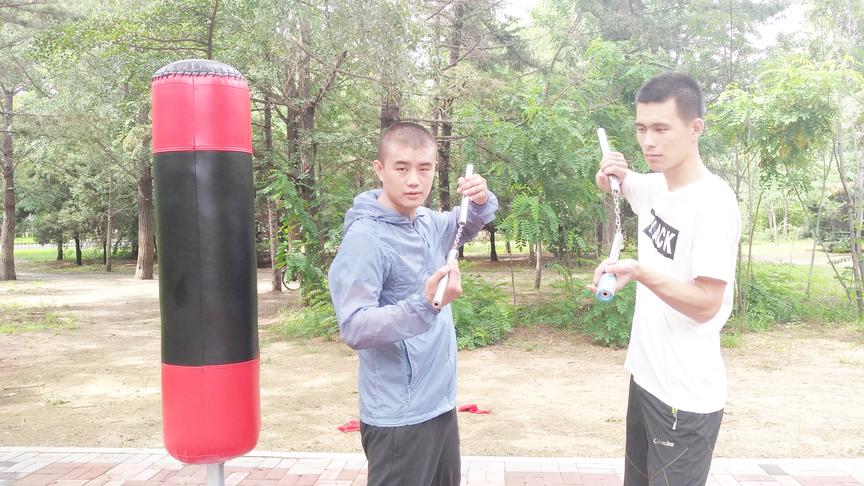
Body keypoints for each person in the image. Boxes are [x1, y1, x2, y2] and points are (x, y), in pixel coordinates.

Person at [328, 121, 498, 486]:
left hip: (439, 404)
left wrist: (481, 200)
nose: (414, 181)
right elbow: (354, 326)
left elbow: (464, 224)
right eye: (402, 168)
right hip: (398, 418)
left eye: (424, 169)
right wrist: (425, 304)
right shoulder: (366, 239)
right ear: (380, 169)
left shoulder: (425, 221)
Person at [591, 73, 741, 486]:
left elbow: (706, 304)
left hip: (685, 398)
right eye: (641, 129)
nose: (648, 142)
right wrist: (608, 174)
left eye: (661, 129)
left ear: (695, 128)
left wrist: (640, 272)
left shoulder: (713, 203)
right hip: (645, 379)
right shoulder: (656, 188)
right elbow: (617, 184)